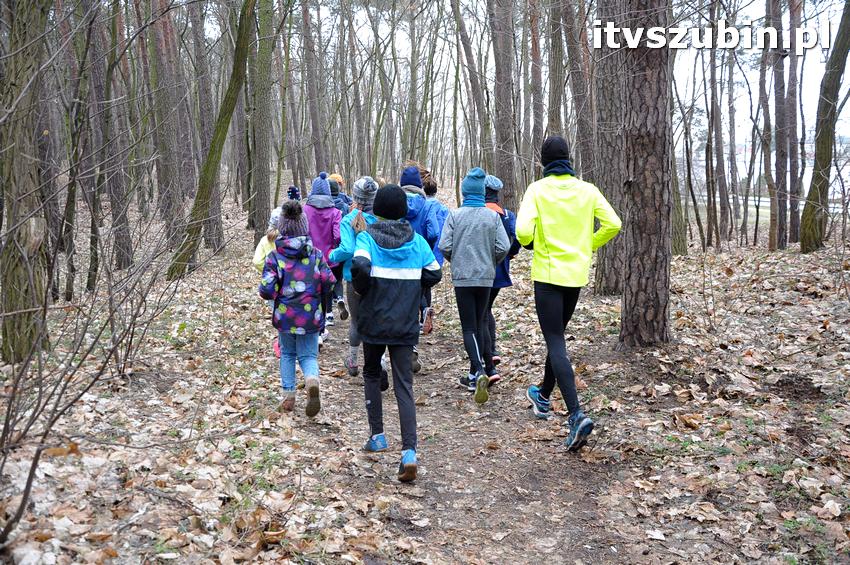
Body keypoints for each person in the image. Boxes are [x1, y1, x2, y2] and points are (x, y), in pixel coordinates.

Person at [516, 135, 621, 451]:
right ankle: (543, 396)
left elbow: (522, 232)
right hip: (575, 275)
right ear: (569, 160)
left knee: (556, 342)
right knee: (557, 338)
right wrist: (586, 246)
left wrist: (533, 245)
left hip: (548, 275)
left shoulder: (537, 190)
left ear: (545, 162)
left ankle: (576, 414)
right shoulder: (587, 191)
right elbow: (613, 223)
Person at [351, 184, 442, 482]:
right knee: (404, 385)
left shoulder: (366, 237)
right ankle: (409, 453)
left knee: (372, 374)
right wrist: (413, 286)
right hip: (404, 324)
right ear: (404, 211)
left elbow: (360, 267)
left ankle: (377, 435)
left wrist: (364, 290)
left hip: (373, 322)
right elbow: (434, 272)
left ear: (377, 209)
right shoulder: (416, 242)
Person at [438, 167, 509, 404]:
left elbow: (444, 245)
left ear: (464, 192)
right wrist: (491, 262)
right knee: (480, 323)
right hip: (486, 277)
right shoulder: (492, 217)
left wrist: (456, 260)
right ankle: (476, 373)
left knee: (468, 327)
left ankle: (478, 371)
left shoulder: (455, 215)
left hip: (463, 278)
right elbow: (504, 246)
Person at [258, 200, 335, 417]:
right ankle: (311, 380)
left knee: (288, 354)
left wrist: (276, 294)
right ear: (304, 227)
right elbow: (330, 282)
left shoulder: (275, 257)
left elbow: (266, 289)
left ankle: (288, 396)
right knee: (309, 355)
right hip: (311, 315)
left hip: (285, 317)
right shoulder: (316, 255)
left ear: (282, 228)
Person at [329, 176, 379, 376]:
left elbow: (347, 248)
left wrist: (331, 255)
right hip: (378, 276)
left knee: (356, 321)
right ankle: (379, 362)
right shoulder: (379, 220)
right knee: (376, 318)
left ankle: (353, 359)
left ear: (356, 197)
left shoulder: (349, 219)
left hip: (354, 278)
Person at [483, 174, 521, 368]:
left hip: (480, 270)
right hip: (500, 271)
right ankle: (492, 350)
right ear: (496, 193)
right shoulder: (507, 215)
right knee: (487, 308)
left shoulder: (478, 213)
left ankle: (489, 353)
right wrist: (510, 255)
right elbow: (517, 238)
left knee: (483, 311)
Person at [304, 172, 343, 333]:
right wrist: (332, 247)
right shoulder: (335, 212)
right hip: (328, 257)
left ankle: (315, 325)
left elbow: (302, 232)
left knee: (312, 290)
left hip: (309, 256)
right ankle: (327, 317)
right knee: (326, 289)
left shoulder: (305, 210)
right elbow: (338, 235)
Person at [420, 171, 448, 334]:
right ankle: (426, 316)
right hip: (438, 254)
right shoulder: (444, 209)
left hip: (424, 251)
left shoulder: (422, 207)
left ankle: (423, 315)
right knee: (427, 286)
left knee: (418, 285)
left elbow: (431, 232)